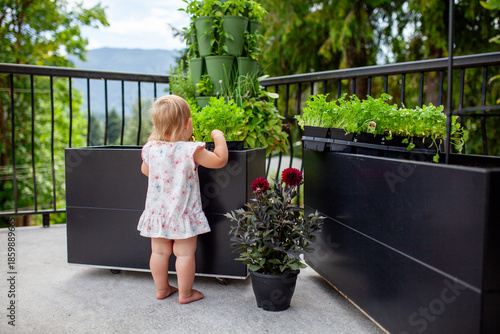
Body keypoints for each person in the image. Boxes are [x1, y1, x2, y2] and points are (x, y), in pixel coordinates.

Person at [137, 95, 228, 304]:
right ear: (188, 124)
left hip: (157, 213)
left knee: (159, 253)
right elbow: (220, 160)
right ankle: (185, 293)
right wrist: (218, 136)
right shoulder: (191, 150)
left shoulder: (151, 148)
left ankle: (162, 289)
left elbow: (146, 171)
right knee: (185, 255)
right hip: (182, 214)